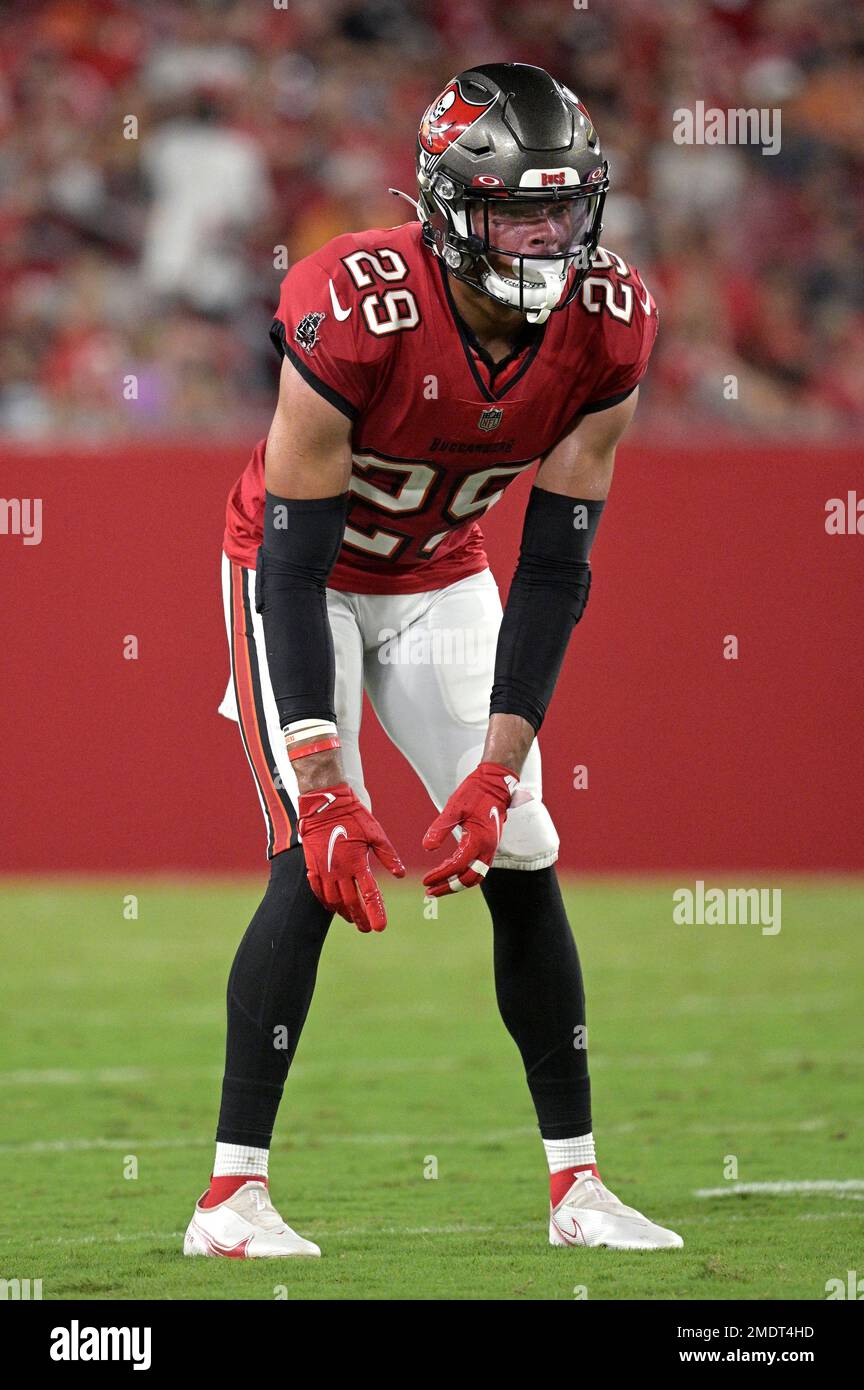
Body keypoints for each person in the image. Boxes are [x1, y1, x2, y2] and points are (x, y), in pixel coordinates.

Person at [184, 62, 682, 1258]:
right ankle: (228, 1199)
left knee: (524, 842)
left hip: (440, 574)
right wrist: (324, 777)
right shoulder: (353, 302)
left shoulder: (610, 322)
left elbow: (558, 568)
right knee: (315, 855)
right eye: (518, 210)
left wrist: (498, 766)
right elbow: (295, 570)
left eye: (564, 208)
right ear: (451, 206)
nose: (547, 236)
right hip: (297, 575)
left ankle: (578, 1189)